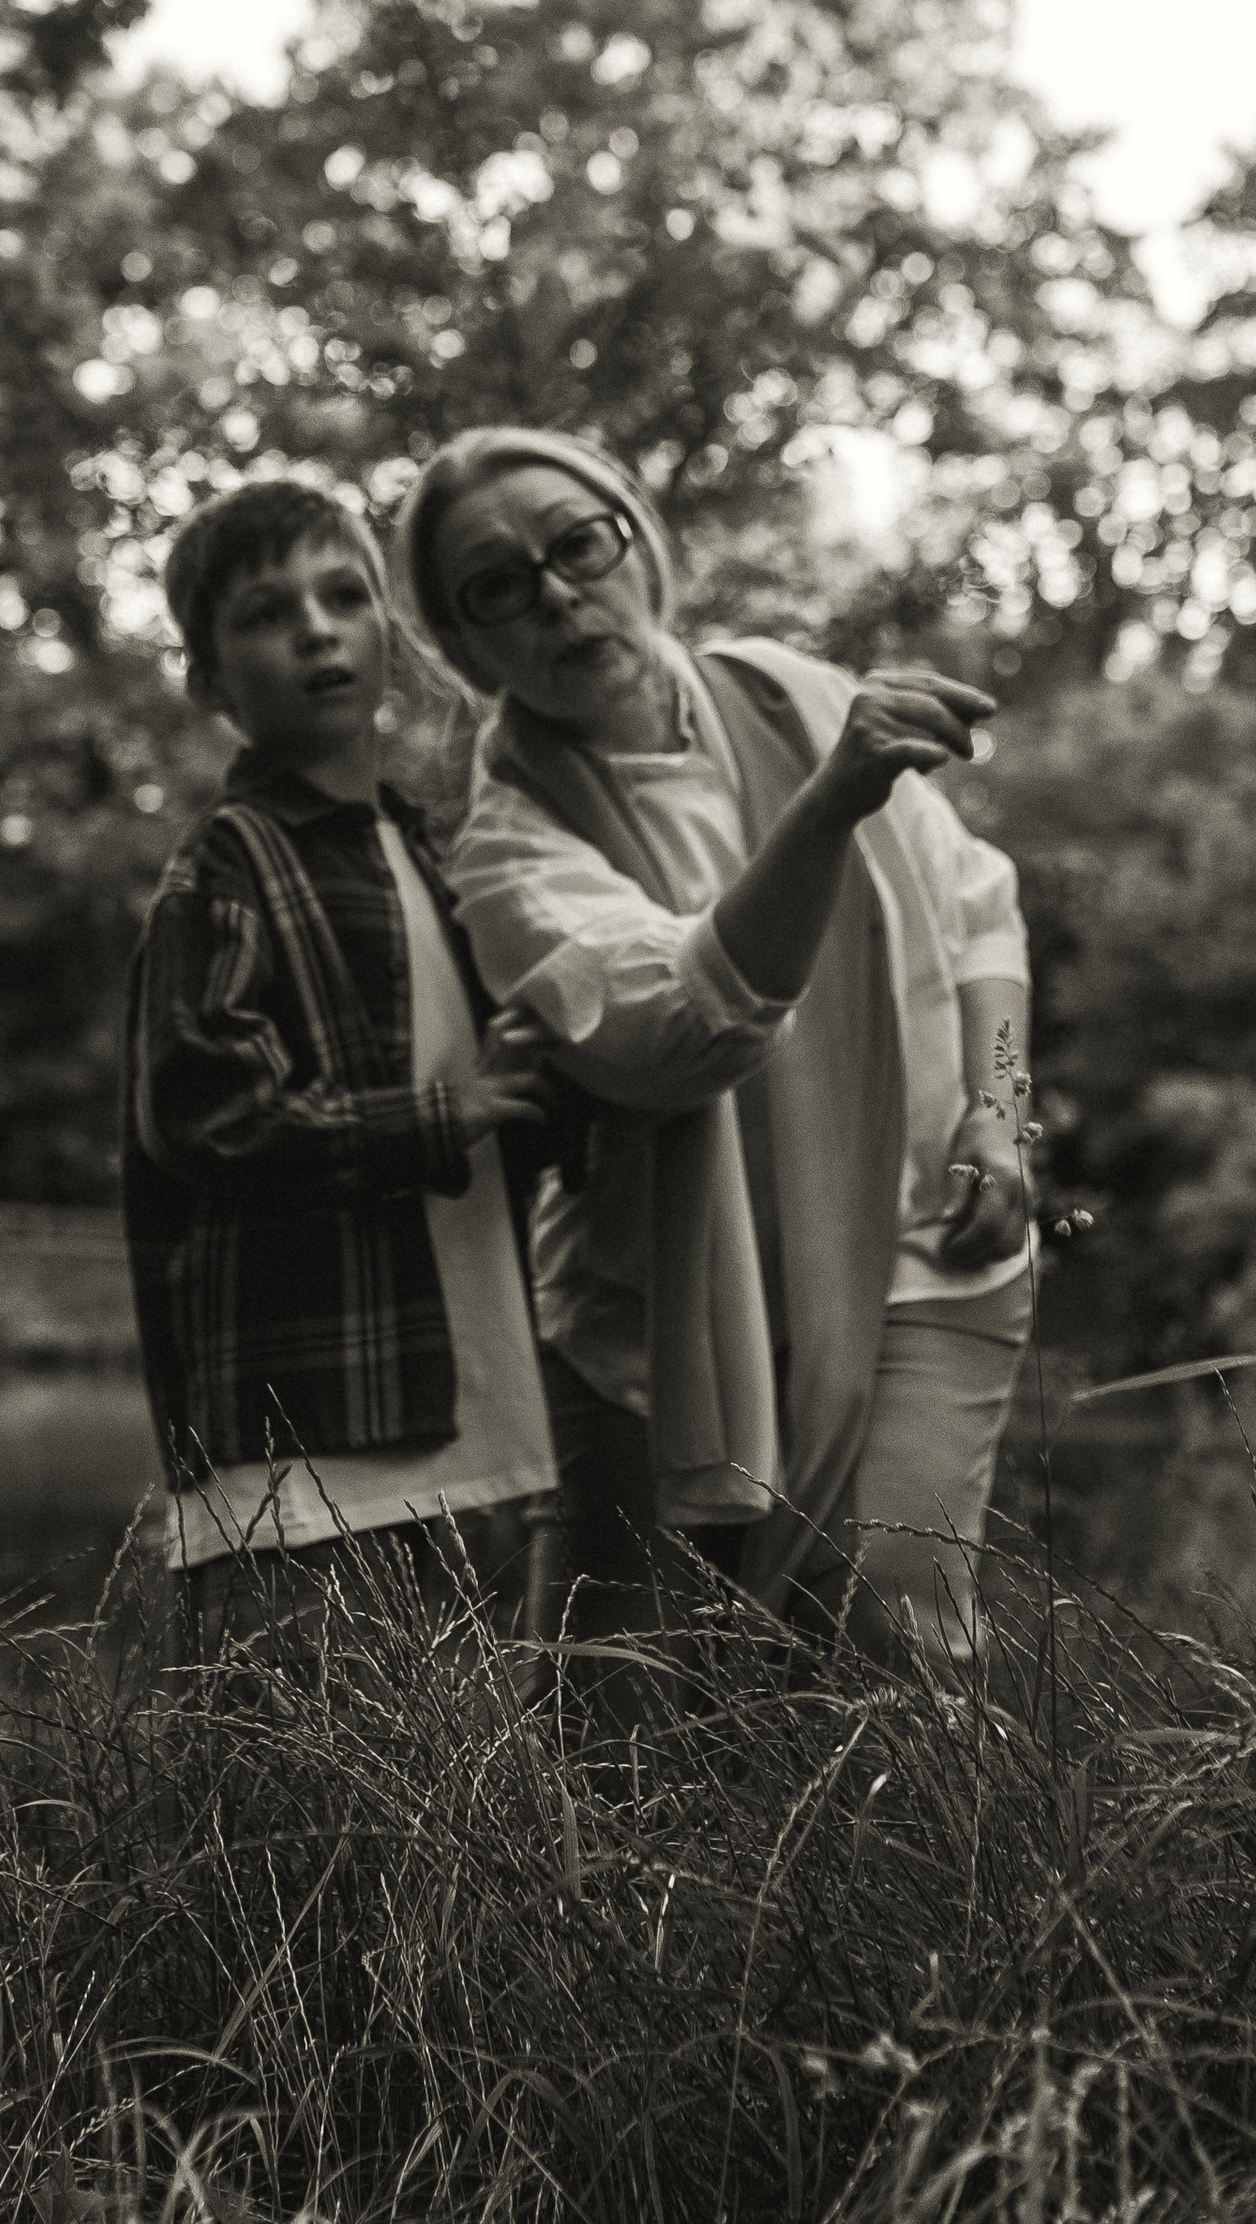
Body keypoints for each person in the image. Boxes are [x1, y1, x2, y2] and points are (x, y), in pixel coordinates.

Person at [394, 424, 1035, 1670]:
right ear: (464, 647)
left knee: (894, 1646)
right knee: (622, 1696)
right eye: (499, 585)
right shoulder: (507, 850)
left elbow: (978, 907)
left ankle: (934, 1874)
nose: (559, 594)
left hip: (927, 1244)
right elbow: (689, 1028)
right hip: (662, 1321)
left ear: (639, 537)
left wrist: (1002, 1110)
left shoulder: (785, 689)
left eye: (577, 542)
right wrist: (828, 803)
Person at [121, 476, 562, 1659]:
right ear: (211, 682)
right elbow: (208, 1111)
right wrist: (439, 1113)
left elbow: (491, 1100)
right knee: (309, 1829)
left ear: (391, 636)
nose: (317, 628)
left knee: (479, 1822)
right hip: (306, 1459)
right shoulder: (228, 861)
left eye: (344, 596)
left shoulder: (433, 847)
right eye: (269, 613)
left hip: (483, 1427)